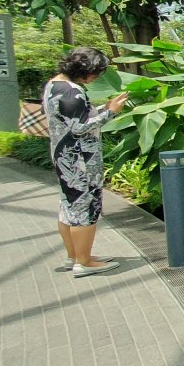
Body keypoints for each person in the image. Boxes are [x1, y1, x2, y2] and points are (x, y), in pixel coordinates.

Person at [44, 48, 129, 276]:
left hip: (64, 157)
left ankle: (75, 256)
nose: (95, 78)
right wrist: (110, 112)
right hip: (80, 160)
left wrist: (103, 108)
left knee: (69, 208)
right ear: (85, 70)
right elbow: (80, 127)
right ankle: (85, 262)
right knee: (85, 208)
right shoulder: (73, 92)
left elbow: (75, 118)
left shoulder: (54, 85)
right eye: (95, 73)